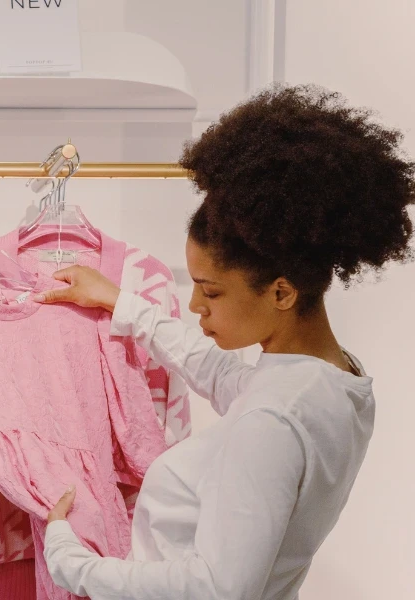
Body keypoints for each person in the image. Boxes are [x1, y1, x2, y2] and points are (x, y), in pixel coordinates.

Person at [33, 84, 414, 599]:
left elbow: (215, 589)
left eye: (210, 291)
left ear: (281, 292)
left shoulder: (273, 420)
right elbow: (222, 374)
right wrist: (120, 302)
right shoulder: (334, 378)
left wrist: (71, 561)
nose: (194, 306)